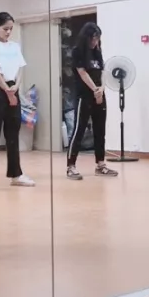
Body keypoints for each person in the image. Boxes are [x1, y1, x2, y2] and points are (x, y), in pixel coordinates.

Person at [0, 12, 36, 190]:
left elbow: (20, 68)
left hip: (12, 87)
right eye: (5, 29)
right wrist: (6, 88)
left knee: (13, 132)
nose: (8, 32)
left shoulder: (14, 46)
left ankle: (16, 174)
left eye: (11, 29)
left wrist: (16, 86)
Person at [65, 22, 118, 180]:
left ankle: (101, 165)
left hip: (99, 95)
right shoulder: (78, 51)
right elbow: (82, 73)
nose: (95, 42)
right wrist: (95, 90)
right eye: (93, 38)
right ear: (86, 38)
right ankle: (71, 166)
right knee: (79, 130)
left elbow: (102, 72)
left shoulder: (97, 52)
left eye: (97, 39)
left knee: (100, 130)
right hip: (85, 96)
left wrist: (102, 88)